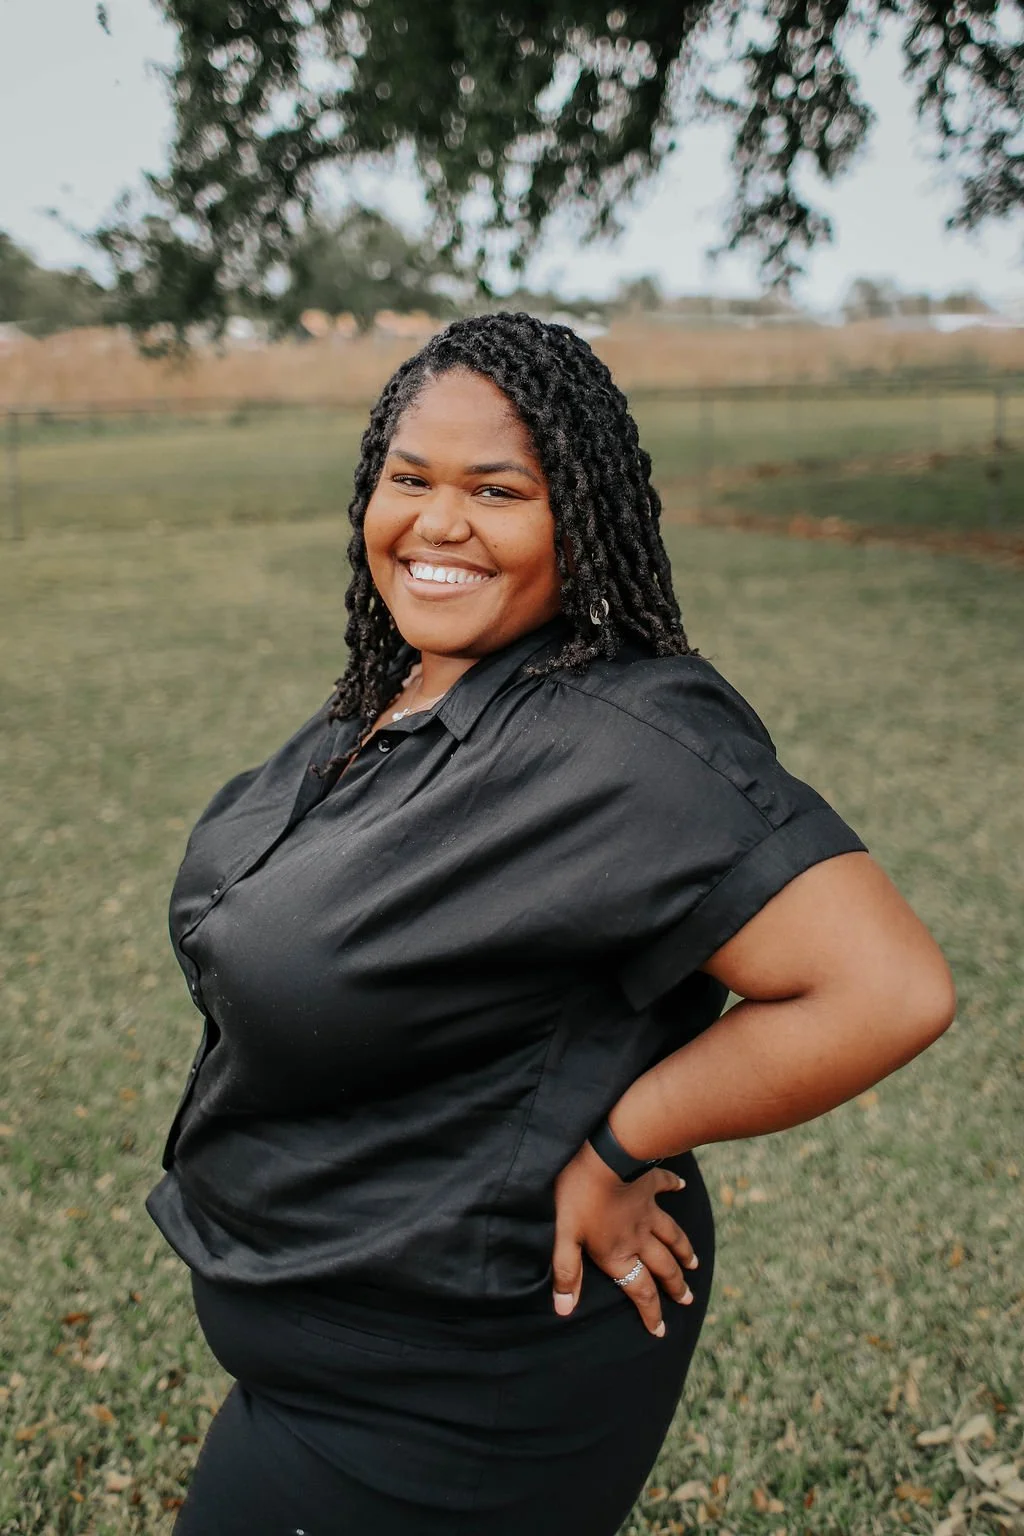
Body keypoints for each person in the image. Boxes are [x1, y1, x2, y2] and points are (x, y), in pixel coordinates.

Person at [147, 312, 955, 1535]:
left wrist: (627, 1138)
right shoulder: (404, 687)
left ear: (576, 514)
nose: (438, 522)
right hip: (320, 1349)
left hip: (451, 1388)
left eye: (498, 489)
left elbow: (886, 989)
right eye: (408, 477)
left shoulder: (628, 743)